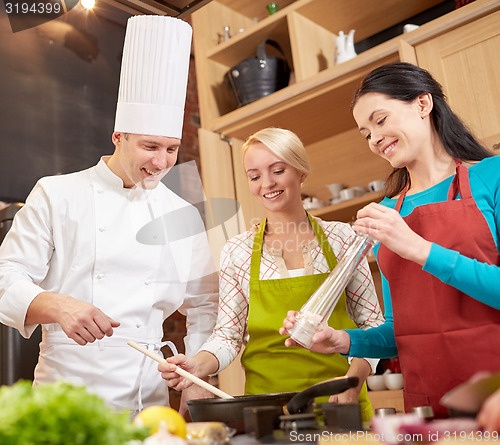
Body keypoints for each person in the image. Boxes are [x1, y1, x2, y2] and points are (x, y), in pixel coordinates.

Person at [0, 15, 218, 415]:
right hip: (66, 396)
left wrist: (198, 380)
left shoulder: (181, 213)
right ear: (118, 137)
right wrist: (57, 305)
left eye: (171, 149)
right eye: (150, 146)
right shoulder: (57, 193)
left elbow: (206, 304)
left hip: (147, 398)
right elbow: (4, 278)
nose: (162, 161)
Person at [281, 62, 500, 418]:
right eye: (365, 133)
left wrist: (416, 247)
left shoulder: (493, 176)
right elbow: (403, 329)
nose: (374, 139)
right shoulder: (387, 213)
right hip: (430, 402)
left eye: (380, 121)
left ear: (423, 104)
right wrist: (345, 340)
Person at [158, 127, 385, 421]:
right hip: (267, 413)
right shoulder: (237, 251)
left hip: (341, 402)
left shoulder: (342, 239)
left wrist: (353, 382)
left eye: (278, 170)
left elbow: (372, 325)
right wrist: (199, 364)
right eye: (254, 176)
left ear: (301, 172)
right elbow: (228, 336)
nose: (267, 183)